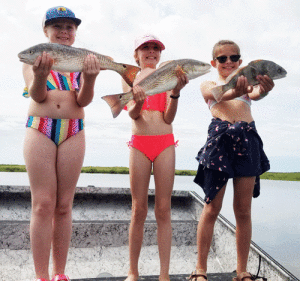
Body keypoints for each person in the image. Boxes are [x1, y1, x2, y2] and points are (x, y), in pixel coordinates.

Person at [22, 6, 101, 281]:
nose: (64, 31)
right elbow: (38, 95)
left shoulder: (80, 61)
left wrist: (90, 77)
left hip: (73, 129)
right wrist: (41, 74)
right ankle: (41, 276)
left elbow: (83, 100)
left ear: (75, 33)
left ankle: (60, 274)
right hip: (40, 127)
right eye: (57, 26)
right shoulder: (33, 60)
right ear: (46, 31)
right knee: (42, 204)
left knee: (64, 205)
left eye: (70, 27)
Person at [189, 40, 274, 281]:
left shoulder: (247, 84)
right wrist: (235, 91)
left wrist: (264, 88)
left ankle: (242, 271)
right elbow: (215, 94)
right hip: (220, 140)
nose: (229, 62)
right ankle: (200, 269)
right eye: (223, 58)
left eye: (234, 58)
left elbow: (256, 94)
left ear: (240, 61)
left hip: (248, 139)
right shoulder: (209, 83)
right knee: (212, 207)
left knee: (243, 211)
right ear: (214, 63)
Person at [122, 34, 189, 281]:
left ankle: (164, 275)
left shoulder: (170, 76)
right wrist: (137, 102)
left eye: (156, 49)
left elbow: (169, 118)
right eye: (146, 48)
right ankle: (133, 272)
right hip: (139, 143)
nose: (151, 52)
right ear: (136, 54)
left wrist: (176, 92)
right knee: (138, 209)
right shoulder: (129, 77)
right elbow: (133, 115)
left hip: (165, 144)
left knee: (163, 209)